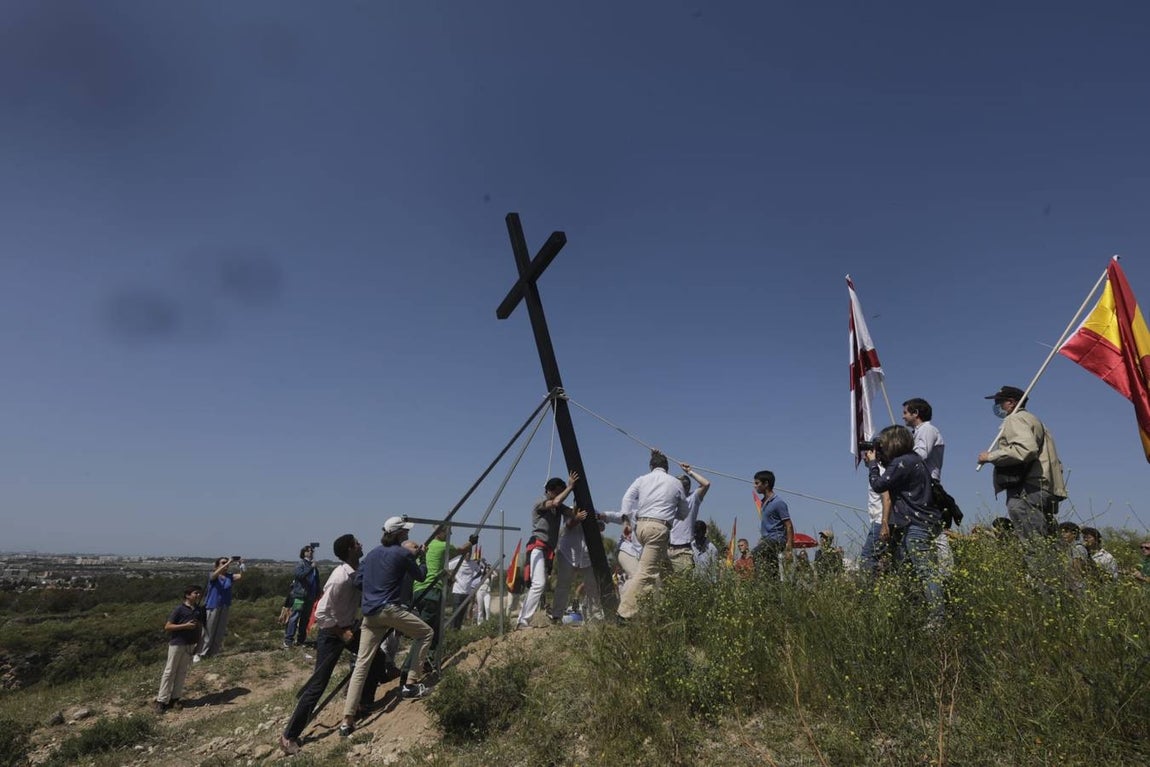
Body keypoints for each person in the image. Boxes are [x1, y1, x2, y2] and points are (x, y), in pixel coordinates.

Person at [280, 534, 391, 756]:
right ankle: (289, 736)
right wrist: (341, 632)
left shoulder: (356, 570)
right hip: (332, 633)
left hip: (349, 627)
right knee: (318, 685)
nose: (361, 544)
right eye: (358, 543)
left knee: (376, 659)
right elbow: (321, 612)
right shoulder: (340, 577)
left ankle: (363, 704)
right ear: (351, 549)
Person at [341, 516, 434, 737]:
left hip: (369, 614)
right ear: (400, 534)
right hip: (389, 610)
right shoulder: (402, 553)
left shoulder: (372, 554)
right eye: (406, 532)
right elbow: (421, 576)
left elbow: (358, 581)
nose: (408, 534)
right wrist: (422, 556)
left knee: (362, 664)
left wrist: (376, 585)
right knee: (426, 633)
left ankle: (347, 720)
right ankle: (411, 684)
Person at [865, 425, 943, 620]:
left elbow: (878, 485)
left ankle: (937, 618)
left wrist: (873, 464)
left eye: (882, 445)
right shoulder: (913, 460)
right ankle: (918, 612)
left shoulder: (902, 463)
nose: (880, 449)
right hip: (917, 522)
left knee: (925, 572)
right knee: (907, 569)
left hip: (915, 524)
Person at [977, 386, 1068, 539]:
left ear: (1011, 403)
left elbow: (1026, 449)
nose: (997, 406)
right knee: (1048, 543)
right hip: (1044, 487)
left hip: (1027, 489)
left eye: (1000, 401)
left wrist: (990, 457)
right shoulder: (1035, 421)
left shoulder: (1015, 418)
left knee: (1033, 546)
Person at [616, 451, 690, 620]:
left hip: (641, 527)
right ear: (667, 467)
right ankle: (623, 613)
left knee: (665, 571)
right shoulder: (676, 483)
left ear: (651, 466)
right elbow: (684, 512)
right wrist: (672, 513)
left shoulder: (641, 479)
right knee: (646, 573)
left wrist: (626, 521)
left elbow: (627, 499)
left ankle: (666, 609)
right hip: (659, 529)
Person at [516, 472, 578, 629]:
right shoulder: (541, 502)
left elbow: (571, 513)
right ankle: (522, 621)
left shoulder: (558, 507)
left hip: (548, 551)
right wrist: (570, 487)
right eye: (557, 491)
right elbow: (556, 502)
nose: (559, 494)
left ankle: (523, 619)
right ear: (550, 491)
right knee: (539, 583)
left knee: (539, 584)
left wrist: (577, 501)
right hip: (537, 546)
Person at [903, 397, 953, 577]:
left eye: (905, 413)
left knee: (933, 531)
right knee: (931, 530)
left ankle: (946, 573)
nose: (903, 417)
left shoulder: (927, 430)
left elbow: (920, 454)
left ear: (916, 413)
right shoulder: (918, 432)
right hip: (922, 484)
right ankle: (943, 571)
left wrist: (898, 455)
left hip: (928, 485)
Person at [153, 585, 204, 713]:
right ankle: (161, 700)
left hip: (190, 644)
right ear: (187, 595)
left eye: (199, 593)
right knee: (169, 671)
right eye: (195, 593)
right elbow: (168, 626)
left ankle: (175, 699)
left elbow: (200, 628)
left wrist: (198, 644)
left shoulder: (199, 610)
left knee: (182, 672)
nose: (198, 595)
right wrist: (185, 626)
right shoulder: (179, 609)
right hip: (177, 644)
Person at [551, 506, 605, 622]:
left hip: (587, 555)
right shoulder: (569, 510)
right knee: (563, 585)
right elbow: (568, 525)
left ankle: (595, 617)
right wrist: (577, 518)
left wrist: (594, 521)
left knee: (592, 586)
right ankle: (556, 616)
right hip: (568, 553)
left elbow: (602, 526)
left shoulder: (593, 509)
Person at [196, 556, 243, 661]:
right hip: (213, 605)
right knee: (209, 631)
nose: (226, 565)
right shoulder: (213, 575)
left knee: (219, 631)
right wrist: (229, 562)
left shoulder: (229, 576)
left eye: (226, 563)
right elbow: (214, 576)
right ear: (217, 565)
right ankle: (201, 653)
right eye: (223, 563)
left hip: (225, 605)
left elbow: (240, 576)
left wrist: (241, 565)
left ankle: (213, 653)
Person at [667, 465, 712, 574]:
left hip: (683, 550)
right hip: (668, 549)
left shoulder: (693, 498)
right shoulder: (670, 501)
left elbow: (706, 484)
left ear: (686, 487)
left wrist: (689, 472)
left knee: (682, 584)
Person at [752, 470, 794, 579]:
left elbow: (788, 525)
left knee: (756, 553)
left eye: (757, 483)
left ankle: (759, 580)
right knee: (772, 566)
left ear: (766, 484)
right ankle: (773, 588)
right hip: (767, 539)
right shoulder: (763, 503)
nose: (755, 486)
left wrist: (789, 548)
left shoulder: (778, 502)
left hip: (777, 539)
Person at [284, 545, 320, 649]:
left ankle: (301, 640)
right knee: (295, 616)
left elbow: (316, 580)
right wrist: (311, 567)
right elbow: (299, 575)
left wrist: (317, 592)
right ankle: (288, 640)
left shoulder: (313, 565)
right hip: (300, 596)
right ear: (304, 553)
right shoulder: (302, 564)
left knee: (305, 618)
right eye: (309, 551)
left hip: (310, 596)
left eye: (312, 551)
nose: (311, 552)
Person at [447, 536, 481, 630]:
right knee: (455, 614)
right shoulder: (458, 561)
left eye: (470, 553)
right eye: (467, 553)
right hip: (458, 591)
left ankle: (457, 631)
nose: (468, 554)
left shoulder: (473, 564)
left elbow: (479, 572)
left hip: (467, 592)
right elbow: (447, 568)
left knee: (462, 614)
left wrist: (473, 580)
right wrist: (452, 577)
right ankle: (452, 631)